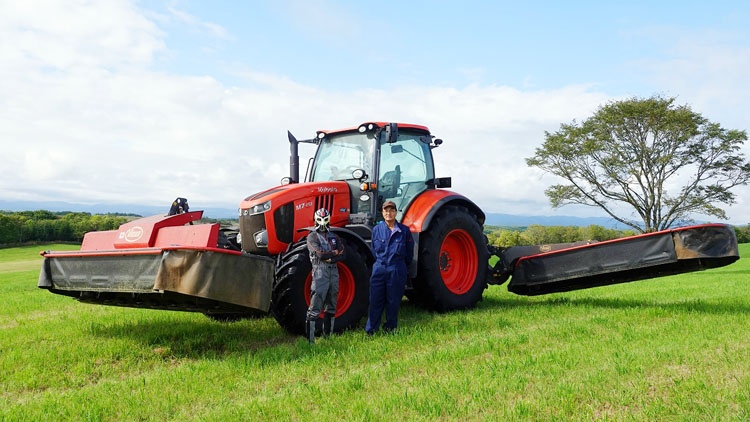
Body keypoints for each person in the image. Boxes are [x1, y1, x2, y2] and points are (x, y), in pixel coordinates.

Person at [365, 200, 414, 335]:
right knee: (375, 300)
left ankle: (390, 328)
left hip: (396, 269)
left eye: (391, 210)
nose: (389, 213)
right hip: (379, 268)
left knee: (393, 300)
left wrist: (400, 266)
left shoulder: (404, 231)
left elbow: (409, 253)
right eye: (386, 210)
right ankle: (371, 330)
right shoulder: (376, 230)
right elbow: (374, 251)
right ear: (382, 213)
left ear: (395, 212)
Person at [306, 208, 345, 344]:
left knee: (332, 304)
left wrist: (331, 257)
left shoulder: (334, 236)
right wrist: (334, 254)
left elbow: (343, 253)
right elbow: (320, 254)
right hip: (319, 272)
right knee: (315, 305)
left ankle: (328, 336)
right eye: (320, 219)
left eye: (325, 219)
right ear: (315, 219)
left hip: (333, 271)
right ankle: (310, 341)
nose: (322, 222)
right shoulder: (312, 236)